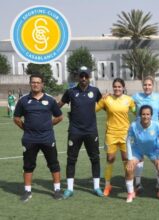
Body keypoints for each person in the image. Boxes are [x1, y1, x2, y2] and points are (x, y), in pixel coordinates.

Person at [13, 74, 63, 202]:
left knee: (53, 164)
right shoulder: (23, 100)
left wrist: (47, 125)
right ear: (30, 84)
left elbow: (59, 117)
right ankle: (27, 191)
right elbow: (16, 118)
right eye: (33, 82)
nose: (35, 84)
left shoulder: (50, 100)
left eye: (38, 82)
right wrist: (26, 128)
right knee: (28, 166)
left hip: (47, 138)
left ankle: (57, 190)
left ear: (42, 84)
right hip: (30, 139)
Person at [58, 66, 103, 198]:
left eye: (86, 76)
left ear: (89, 77)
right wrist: (45, 111)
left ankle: (96, 187)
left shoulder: (95, 91)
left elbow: (106, 106)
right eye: (81, 76)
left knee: (95, 159)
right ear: (78, 77)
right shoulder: (70, 91)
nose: (83, 78)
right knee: (71, 159)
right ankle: (70, 189)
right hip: (75, 131)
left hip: (91, 131)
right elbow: (58, 105)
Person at [95, 78, 136, 197]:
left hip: (125, 134)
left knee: (126, 160)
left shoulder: (129, 100)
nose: (117, 89)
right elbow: (95, 109)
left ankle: (129, 183)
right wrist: (100, 97)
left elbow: (136, 112)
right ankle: (107, 185)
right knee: (110, 159)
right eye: (115, 87)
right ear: (113, 88)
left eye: (119, 86)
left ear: (123, 87)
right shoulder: (107, 99)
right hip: (111, 134)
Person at [125, 105, 159, 203]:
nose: (145, 116)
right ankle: (131, 193)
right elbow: (128, 141)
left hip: (153, 150)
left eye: (148, 114)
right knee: (129, 168)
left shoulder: (157, 126)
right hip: (137, 150)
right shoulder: (134, 125)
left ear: (151, 115)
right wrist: (130, 158)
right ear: (140, 115)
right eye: (143, 114)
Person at [132, 76, 159, 191]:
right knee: (139, 157)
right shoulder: (136, 96)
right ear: (142, 86)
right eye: (145, 84)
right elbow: (131, 107)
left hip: (154, 132)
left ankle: (158, 183)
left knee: (156, 158)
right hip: (140, 131)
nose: (147, 87)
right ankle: (138, 183)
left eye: (149, 85)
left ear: (153, 85)